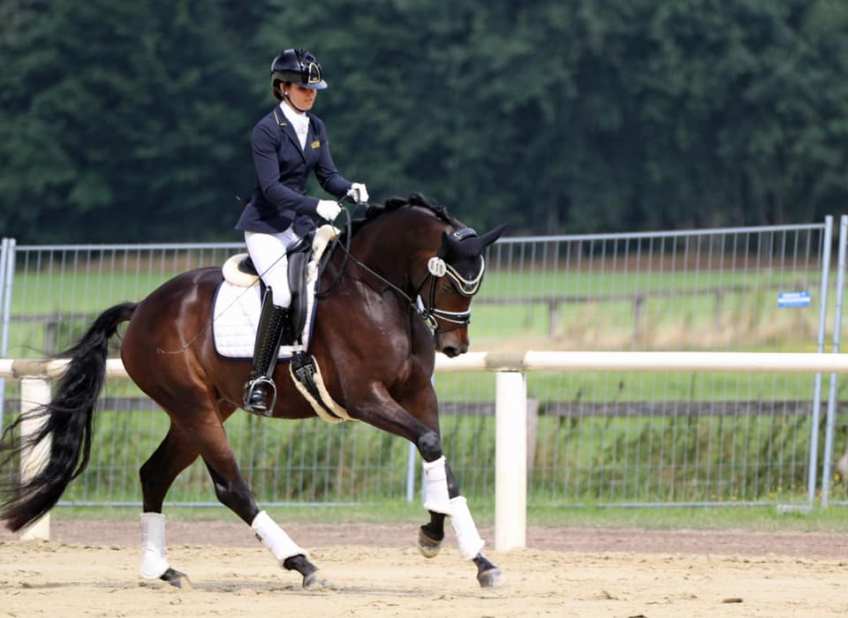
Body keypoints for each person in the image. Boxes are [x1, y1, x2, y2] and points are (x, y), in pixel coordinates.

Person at [235, 48, 368, 415]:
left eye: (314, 89)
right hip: (266, 226)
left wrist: (349, 188)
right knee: (281, 292)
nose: (310, 95)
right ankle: (258, 380)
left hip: (299, 226)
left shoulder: (316, 127)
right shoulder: (266, 130)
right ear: (283, 88)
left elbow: (328, 175)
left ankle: (314, 357)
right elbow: (271, 188)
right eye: (302, 88)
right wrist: (316, 206)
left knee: (330, 278)